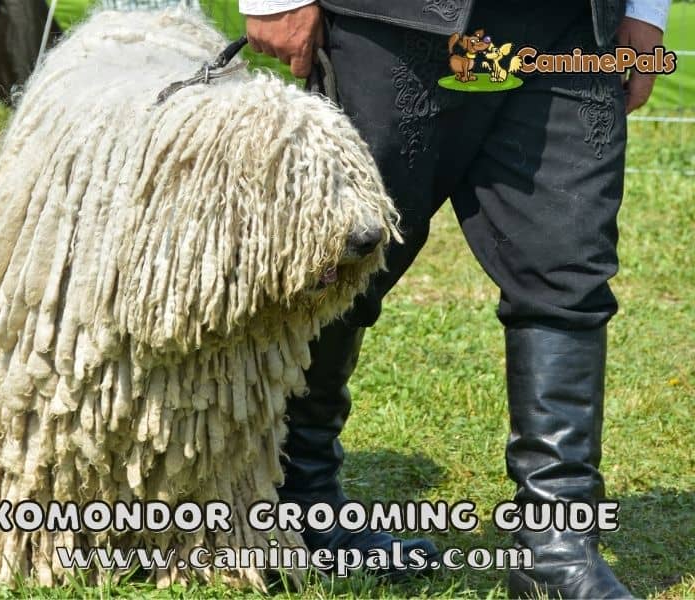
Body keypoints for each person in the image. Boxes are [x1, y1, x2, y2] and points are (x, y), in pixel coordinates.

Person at [239, 0, 671, 597]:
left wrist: (648, 9)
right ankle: (301, 514)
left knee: (568, 277)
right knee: (336, 263)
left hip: (571, 31)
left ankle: (556, 546)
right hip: (387, 23)